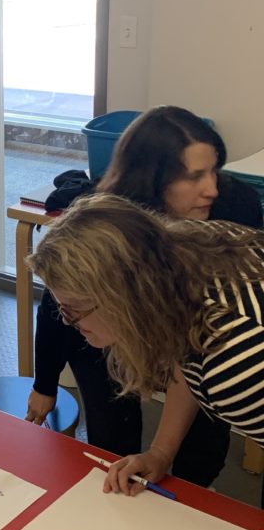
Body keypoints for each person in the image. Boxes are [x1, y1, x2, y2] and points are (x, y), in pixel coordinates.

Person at [26, 106, 263, 486]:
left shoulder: (232, 363)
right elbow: (193, 356)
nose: (211, 188)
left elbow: (210, 364)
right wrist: (161, 452)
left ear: (121, 296)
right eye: (193, 176)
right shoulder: (181, 277)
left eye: (75, 313)